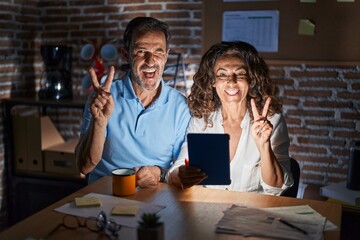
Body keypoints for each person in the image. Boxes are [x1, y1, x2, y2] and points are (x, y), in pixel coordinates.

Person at [75, 17, 191, 187]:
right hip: (105, 196)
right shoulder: (103, 98)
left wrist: (159, 173)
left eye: (158, 52)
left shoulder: (180, 106)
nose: (150, 61)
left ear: (166, 56)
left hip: (156, 199)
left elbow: (182, 168)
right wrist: (99, 123)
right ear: (126, 55)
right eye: (141, 51)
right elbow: (84, 167)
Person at [166, 41, 293, 195]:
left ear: (251, 79)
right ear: (213, 81)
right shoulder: (202, 120)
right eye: (222, 74)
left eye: (240, 74)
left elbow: (277, 187)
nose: (231, 82)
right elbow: (177, 169)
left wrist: (264, 145)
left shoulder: (271, 120)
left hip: (253, 213)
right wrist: (180, 175)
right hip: (209, 210)